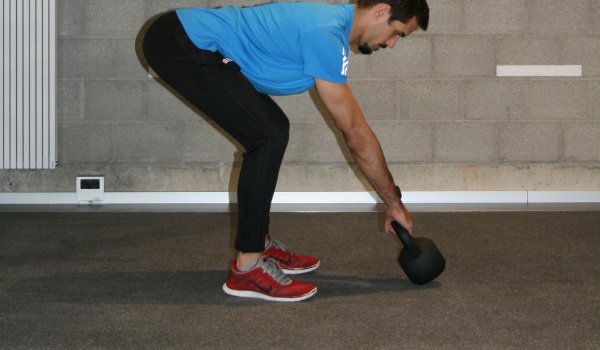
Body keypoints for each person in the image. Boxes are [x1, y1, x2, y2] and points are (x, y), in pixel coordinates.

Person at [142, 0, 429, 302]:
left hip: (187, 39)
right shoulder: (326, 33)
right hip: (181, 42)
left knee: (272, 129)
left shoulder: (332, 27)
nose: (393, 44)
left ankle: (258, 245)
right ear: (381, 12)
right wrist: (393, 202)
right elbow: (356, 134)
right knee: (267, 135)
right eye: (397, 33)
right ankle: (247, 269)